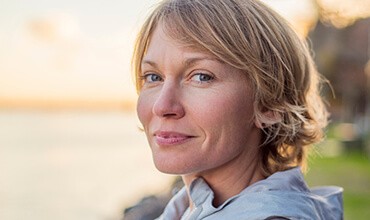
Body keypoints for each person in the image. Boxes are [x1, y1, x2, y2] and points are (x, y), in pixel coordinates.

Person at [131, 0, 343, 219]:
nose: (162, 106)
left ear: (269, 104)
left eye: (202, 77)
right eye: (153, 77)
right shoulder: (187, 207)